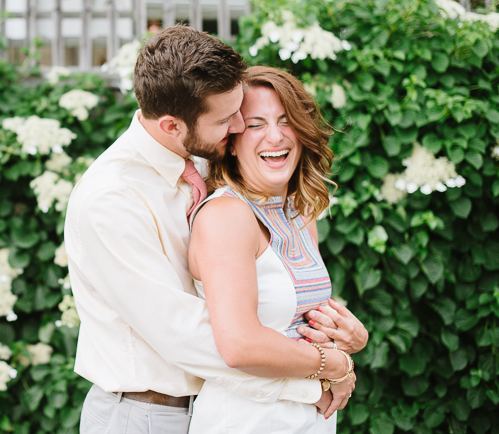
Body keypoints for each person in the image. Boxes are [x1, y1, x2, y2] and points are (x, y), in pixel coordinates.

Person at [64, 27, 362, 434]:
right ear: (172, 125)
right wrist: (323, 371)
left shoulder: (205, 157)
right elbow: (190, 334)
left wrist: (336, 336)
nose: (240, 126)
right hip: (145, 414)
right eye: (227, 119)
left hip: (220, 404)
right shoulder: (112, 199)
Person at [186, 66, 367, 433]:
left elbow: (294, 316)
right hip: (247, 419)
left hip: (309, 417)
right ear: (231, 141)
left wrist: (352, 337)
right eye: (255, 124)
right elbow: (240, 345)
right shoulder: (226, 215)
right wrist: (335, 365)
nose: (275, 136)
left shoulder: (299, 212)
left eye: (286, 121)